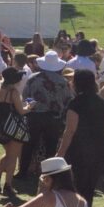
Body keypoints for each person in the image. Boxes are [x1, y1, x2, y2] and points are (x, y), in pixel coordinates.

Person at [57, 69, 104, 207]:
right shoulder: (102, 102)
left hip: (79, 151)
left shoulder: (76, 103)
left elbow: (70, 131)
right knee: (88, 188)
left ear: (77, 83)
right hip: (99, 151)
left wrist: (59, 153)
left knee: (76, 188)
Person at [21, 51, 74, 180]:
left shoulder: (33, 78)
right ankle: (50, 174)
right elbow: (68, 100)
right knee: (51, 146)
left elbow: (25, 96)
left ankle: (23, 171)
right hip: (54, 118)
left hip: (34, 115)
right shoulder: (63, 82)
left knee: (29, 145)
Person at [0, 67, 33, 196]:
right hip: (13, 127)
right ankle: (8, 185)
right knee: (12, 157)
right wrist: (30, 107)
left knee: (8, 154)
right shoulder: (13, 92)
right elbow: (21, 111)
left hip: (1, 126)